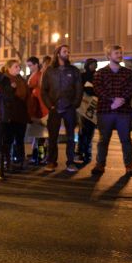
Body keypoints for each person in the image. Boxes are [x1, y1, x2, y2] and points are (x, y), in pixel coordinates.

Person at [91, 45, 132, 176]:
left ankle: (129, 165)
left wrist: (121, 99)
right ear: (109, 56)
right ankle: (100, 165)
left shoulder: (128, 73)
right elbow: (98, 89)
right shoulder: (100, 73)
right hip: (105, 111)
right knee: (103, 140)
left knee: (126, 140)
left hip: (123, 112)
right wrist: (113, 100)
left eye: (121, 53)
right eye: (116, 53)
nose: (119, 55)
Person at [40, 45, 83, 173]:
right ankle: (52, 161)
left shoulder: (74, 70)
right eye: (65, 51)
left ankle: (70, 162)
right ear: (58, 53)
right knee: (53, 136)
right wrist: (50, 105)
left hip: (69, 107)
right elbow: (44, 91)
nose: (67, 53)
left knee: (71, 136)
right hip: (54, 107)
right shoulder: (49, 71)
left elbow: (79, 89)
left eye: (68, 51)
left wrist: (75, 104)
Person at [2, 59, 30, 171]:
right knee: (8, 140)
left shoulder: (21, 80)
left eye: (19, 66)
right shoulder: (4, 79)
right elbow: (4, 96)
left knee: (20, 139)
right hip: (9, 114)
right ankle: (7, 161)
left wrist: (29, 113)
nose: (19, 68)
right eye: (16, 66)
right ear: (9, 68)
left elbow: (27, 97)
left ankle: (20, 160)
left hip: (21, 114)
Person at [26, 56, 49, 165]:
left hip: (40, 109)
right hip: (36, 109)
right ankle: (38, 156)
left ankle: (41, 156)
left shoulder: (39, 76)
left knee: (40, 136)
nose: (29, 67)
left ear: (36, 65)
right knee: (37, 136)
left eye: (30, 65)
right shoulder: (33, 75)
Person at [76, 58, 98, 164]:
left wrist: (91, 90)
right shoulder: (82, 76)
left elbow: (99, 90)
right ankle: (80, 152)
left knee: (90, 132)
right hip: (83, 107)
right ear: (87, 65)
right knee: (82, 131)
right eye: (92, 64)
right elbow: (79, 89)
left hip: (93, 107)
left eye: (95, 64)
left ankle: (88, 153)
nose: (94, 66)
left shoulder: (98, 76)